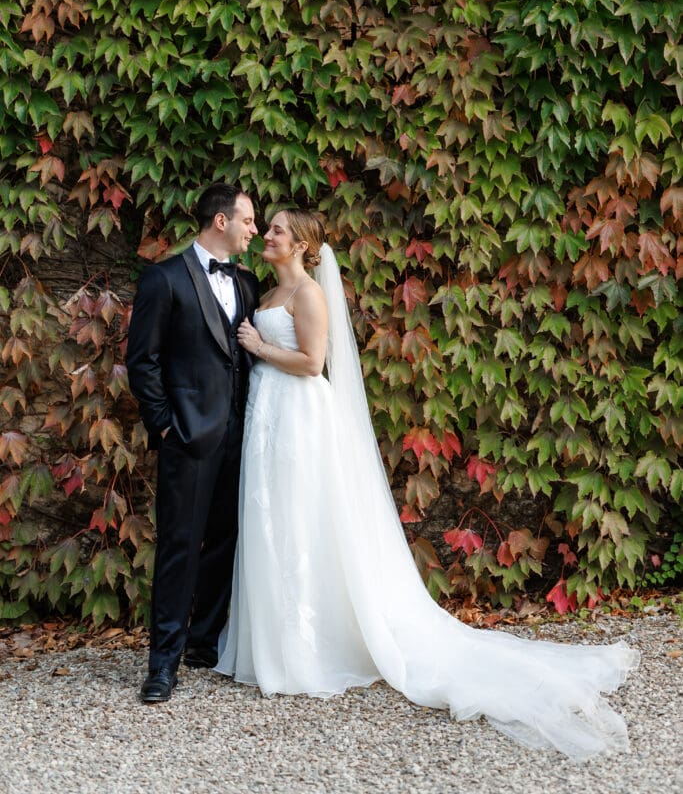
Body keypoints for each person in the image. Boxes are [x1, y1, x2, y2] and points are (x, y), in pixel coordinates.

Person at [215, 207, 639, 761]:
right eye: (266, 227)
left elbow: (313, 362)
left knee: (299, 520)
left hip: (298, 415)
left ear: (300, 244)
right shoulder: (267, 293)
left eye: (276, 230)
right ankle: (270, 645)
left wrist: (259, 348)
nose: (266, 235)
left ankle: (307, 649)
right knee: (269, 515)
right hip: (268, 413)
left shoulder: (308, 294)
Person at [126, 183, 259, 703]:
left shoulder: (247, 283)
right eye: (248, 220)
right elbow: (143, 361)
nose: (254, 230)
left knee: (226, 540)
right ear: (221, 221)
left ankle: (204, 642)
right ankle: (163, 663)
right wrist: (164, 425)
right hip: (186, 436)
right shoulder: (164, 278)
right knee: (179, 547)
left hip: (241, 436)